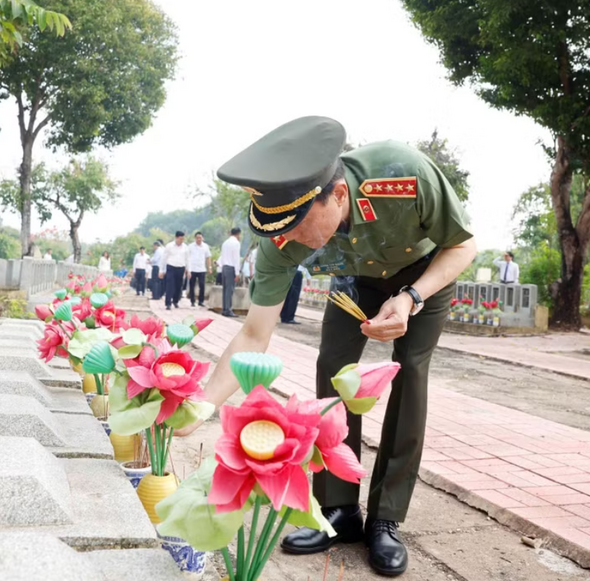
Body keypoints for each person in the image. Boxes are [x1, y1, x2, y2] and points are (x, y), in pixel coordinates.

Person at [178, 117, 476, 577]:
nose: (292, 240)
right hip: (355, 279)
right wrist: (201, 406)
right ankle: (338, 510)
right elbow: (255, 333)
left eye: (300, 227)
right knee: (333, 367)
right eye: (285, 230)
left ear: (338, 196)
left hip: (423, 275)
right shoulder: (281, 235)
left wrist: (411, 298)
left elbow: (463, 246)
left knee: (410, 373)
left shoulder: (404, 172)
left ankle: (386, 519)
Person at [159, 231, 189, 310]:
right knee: (170, 285)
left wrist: (188, 270)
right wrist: (161, 270)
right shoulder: (169, 246)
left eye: (183, 239)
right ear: (176, 238)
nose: (181, 241)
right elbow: (164, 258)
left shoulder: (185, 247)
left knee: (179, 286)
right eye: (180, 239)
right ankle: (168, 303)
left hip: (181, 267)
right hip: (171, 267)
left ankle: (175, 301)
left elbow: (187, 259)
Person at [220, 227, 242, 317]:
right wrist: (237, 272)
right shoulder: (236, 243)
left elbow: (222, 256)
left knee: (225, 289)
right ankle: (228, 310)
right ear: (238, 234)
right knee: (230, 289)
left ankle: (225, 308)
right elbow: (236, 258)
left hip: (224, 267)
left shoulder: (225, 243)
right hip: (231, 267)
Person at [188, 231, 212, 308]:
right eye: (197, 238)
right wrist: (187, 268)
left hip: (202, 269)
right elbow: (187, 258)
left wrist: (209, 267)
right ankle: (192, 301)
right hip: (192, 268)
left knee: (202, 285)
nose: (199, 239)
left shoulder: (205, 246)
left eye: (200, 238)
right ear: (195, 238)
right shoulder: (190, 246)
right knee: (192, 285)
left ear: (202, 238)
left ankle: (201, 301)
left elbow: (208, 258)